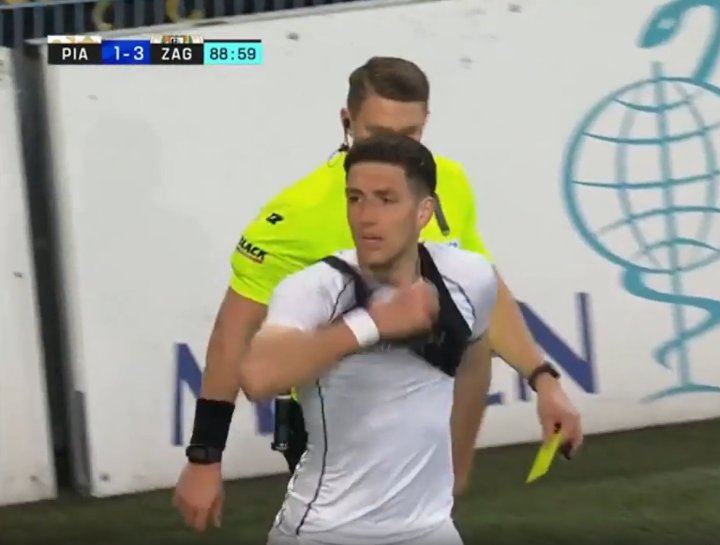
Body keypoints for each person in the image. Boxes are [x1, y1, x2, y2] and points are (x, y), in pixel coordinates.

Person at [172, 56, 583, 533]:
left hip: (423, 435)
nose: (394, 152)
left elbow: (483, 291)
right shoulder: (295, 215)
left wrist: (542, 379)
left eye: (410, 135)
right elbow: (233, 334)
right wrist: (205, 455)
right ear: (346, 122)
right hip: (338, 435)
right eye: (378, 134)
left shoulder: (447, 183)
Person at [240, 133, 569, 545]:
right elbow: (258, 377)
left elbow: (474, 353)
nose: (366, 216)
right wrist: (372, 324)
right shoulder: (317, 288)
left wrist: (543, 381)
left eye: (386, 200)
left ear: (423, 212)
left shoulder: (468, 277)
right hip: (325, 531)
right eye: (355, 198)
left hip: (431, 529)